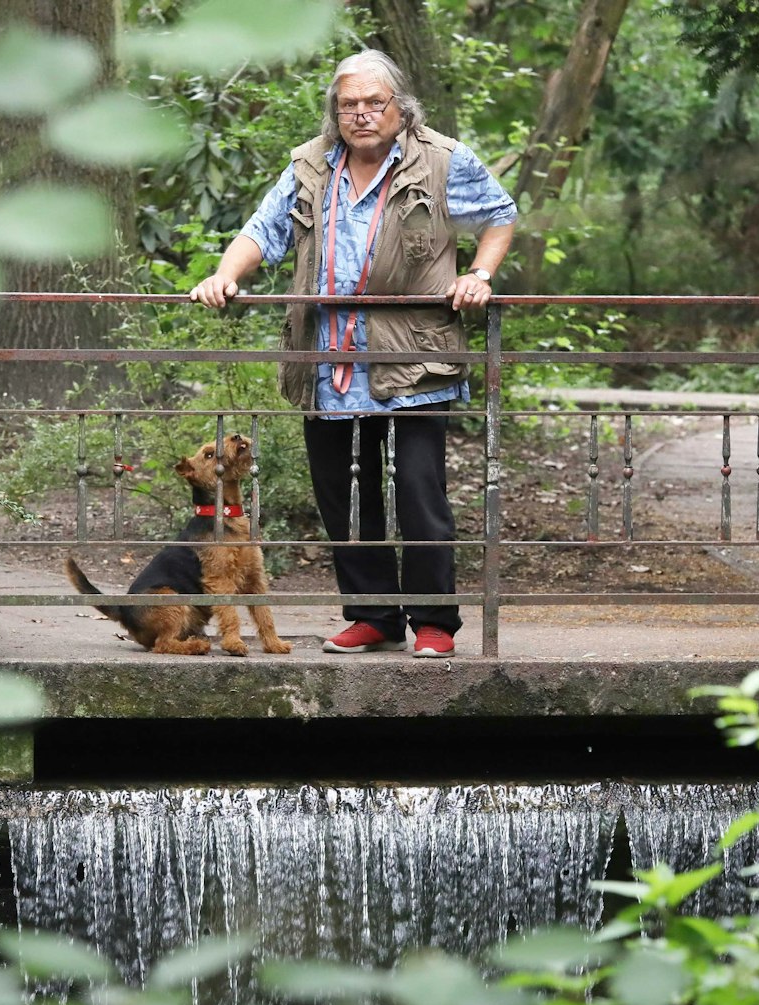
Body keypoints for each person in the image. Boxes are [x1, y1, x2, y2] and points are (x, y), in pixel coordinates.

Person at [191, 49, 517, 660]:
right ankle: (371, 615)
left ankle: (434, 622)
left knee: (420, 491)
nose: (362, 114)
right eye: (349, 105)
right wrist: (223, 275)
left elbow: (501, 215)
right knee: (343, 491)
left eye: (374, 103)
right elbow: (263, 231)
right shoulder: (310, 165)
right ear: (335, 112)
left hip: (414, 356)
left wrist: (479, 273)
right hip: (328, 360)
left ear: (400, 108)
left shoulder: (442, 159)